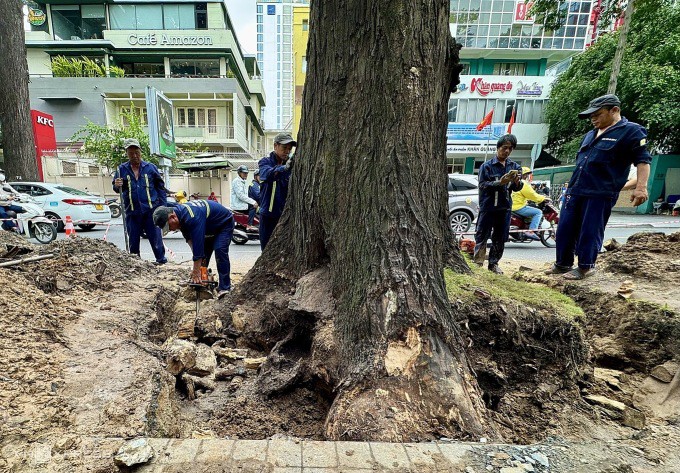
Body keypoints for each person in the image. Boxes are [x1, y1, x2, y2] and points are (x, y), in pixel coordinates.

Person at [546, 94, 651, 280]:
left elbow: (643, 161)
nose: (593, 119)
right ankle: (562, 264)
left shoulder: (631, 131)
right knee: (565, 228)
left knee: (590, 229)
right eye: (591, 116)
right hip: (575, 190)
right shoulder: (590, 134)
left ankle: (586, 267)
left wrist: (641, 188)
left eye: (598, 114)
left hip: (600, 192)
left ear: (614, 110)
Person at [153, 200, 234, 298]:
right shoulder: (180, 216)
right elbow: (190, 240)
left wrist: (196, 270)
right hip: (208, 227)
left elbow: (198, 243)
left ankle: (225, 287)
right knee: (202, 259)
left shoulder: (192, 217)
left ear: (172, 217)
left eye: (169, 226)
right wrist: (198, 262)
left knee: (220, 251)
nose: (171, 229)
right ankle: (204, 280)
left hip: (223, 224)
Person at [473, 134, 523, 274]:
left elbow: (517, 188)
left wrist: (516, 182)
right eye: (504, 148)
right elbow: (483, 185)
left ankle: (494, 264)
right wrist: (499, 183)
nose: (506, 151)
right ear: (498, 148)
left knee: (500, 237)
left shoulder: (514, 167)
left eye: (510, 149)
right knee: (482, 235)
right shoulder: (487, 166)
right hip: (488, 207)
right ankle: (478, 262)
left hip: (504, 207)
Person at [113, 138, 167, 264]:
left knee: (156, 238)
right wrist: (117, 184)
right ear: (127, 153)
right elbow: (116, 189)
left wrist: (163, 208)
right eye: (131, 153)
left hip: (151, 211)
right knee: (133, 239)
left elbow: (161, 188)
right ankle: (135, 263)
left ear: (140, 151)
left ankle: (161, 261)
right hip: (132, 211)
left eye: (137, 152)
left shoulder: (151, 168)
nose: (135, 156)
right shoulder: (121, 169)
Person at [258, 132, 296, 249]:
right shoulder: (265, 162)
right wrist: (284, 168)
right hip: (267, 216)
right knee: (266, 248)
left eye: (289, 149)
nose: (287, 151)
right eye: (284, 147)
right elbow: (267, 174)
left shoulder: (291, 165)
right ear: (275, 146)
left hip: (284, 216)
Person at [511, 167, 547, 240]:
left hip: (512, 205)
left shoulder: (514, 181)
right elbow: (532, 195)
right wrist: (543, 198)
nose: (527, 176)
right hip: (518, 206)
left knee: (532, 206)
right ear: (523, 175)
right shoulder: (523, 183)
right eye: (527, 174)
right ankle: (531, 231)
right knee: (538, 212)